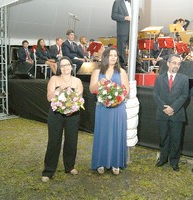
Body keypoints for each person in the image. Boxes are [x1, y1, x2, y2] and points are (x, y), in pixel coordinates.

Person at [41, 56, 84, 182]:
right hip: (56, 114)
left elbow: (80, 99)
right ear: (59, 67)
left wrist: (73, 108)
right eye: (62, 65)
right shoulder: (54, 79)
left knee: (71, 141)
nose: (65, 67)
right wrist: (59, 90)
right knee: (54, 141)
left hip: (73, 115)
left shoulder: (77, 81)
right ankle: (48, 171)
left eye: (67, 65)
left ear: (71, 67)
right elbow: (49, 98)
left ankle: (69, 166)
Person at [89, 47, 129, 175]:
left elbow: (126, 90)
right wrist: (100, 84)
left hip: (118, 108)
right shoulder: (97, 71)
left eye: (115, 55)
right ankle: (100, 162)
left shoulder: (122, 72)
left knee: (117, 133)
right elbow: (91, 89)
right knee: (103, 133)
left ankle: (115, 163)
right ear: (105, 57)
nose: (113, 57)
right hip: (102, 108)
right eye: (111, 55)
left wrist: (116, 98)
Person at [153, 54, 189, 172]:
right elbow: (156, 95)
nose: (176, 66)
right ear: (168, 63)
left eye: (178, 64)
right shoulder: (159, 78)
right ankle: (163, 159)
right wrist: (165, 108)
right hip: (162, 114)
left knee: (176, 139)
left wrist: (172, 108)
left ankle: (174, 161)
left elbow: (184, 96)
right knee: (163, 137)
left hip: (177, 114)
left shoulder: (184, 79)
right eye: (174, 63)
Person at [111, 0, 131, 68]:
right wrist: (125, 17)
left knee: (135, 49)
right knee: (121, 49)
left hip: (132, 30)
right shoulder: (117, 2)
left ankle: (137, 67)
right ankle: (122, 66)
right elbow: (114, 15)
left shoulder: (133, 3)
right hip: (122, 30)